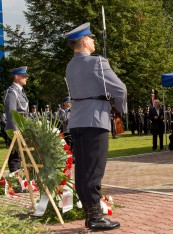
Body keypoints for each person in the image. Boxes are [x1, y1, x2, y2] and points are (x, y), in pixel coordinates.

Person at [65, 22, 127, 230]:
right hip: (95, 120)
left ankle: (91, 214)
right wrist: (119, 111)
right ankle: (95, 218)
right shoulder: (97, 62)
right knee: (94, 171)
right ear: (84, 41)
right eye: (90, 38)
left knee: (82, 170)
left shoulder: (70, 65)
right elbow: (120, 89)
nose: (93, 41)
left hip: (77, 120)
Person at [4, 66, 30, 172]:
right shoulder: (11, 92)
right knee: (15, 158)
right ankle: (16, 182)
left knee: (21, 156)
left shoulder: (20, 91)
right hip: (16, 131)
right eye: (24, 76)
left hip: (23, 129)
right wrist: (16, 131)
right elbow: (11, 113)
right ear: (16, 77)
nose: (26, 78)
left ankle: (20, 181)